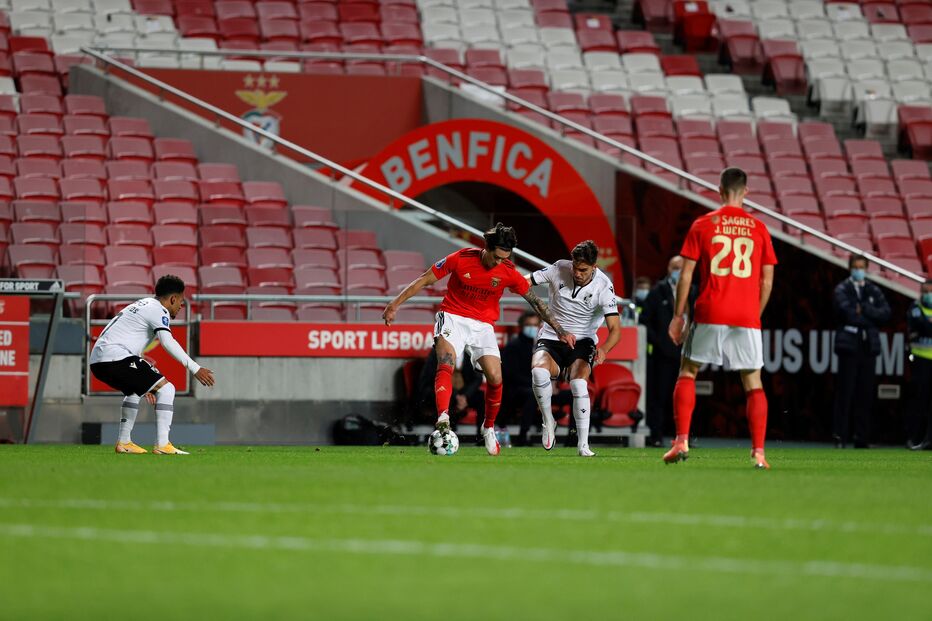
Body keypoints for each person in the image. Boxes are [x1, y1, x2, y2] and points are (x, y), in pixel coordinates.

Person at [382, 222, 575, 455]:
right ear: (487, 248)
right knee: (446, 361)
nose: (499, 262)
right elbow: (425, 279)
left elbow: (536, 302)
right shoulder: (460, 258)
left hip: (483, 326)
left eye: (504, 258)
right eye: (496, 257)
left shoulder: (508, 271)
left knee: (495, 378)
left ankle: (489, 427)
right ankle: (443, 418)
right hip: (453, 316)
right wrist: (394, 305)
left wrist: (560, 330)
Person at [666, 167, 777, 469]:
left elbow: (686, 274)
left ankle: (681, 440)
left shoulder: (704, 224)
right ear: (746, 192)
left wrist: (678, 315)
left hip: (711, 309)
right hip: (746, 313)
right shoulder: (759, 228)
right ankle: (758, 453)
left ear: (719, 190)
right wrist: (755, 313)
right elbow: (766, 282)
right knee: (753, 381)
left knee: (688, 371)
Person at [89, 275, 216, 455]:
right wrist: (195, 368)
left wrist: (142, 376)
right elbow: (168, 342)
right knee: (167, 389)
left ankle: (124, 442)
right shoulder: (158, 310)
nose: (181, 305)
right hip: (115, 356)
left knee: (134, 391)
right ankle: (163, 445)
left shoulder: (142, 304)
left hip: (98, 361)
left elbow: (126, 337)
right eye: (180, 300)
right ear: (172, 298)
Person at [527, 240, 622, 457]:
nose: (577, 273)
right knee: (538, 372)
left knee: (579, 384)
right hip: (552, 336)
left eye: (583, 270)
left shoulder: (604, 286)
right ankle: (548, 421)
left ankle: (583, 445)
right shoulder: (558, 268)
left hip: (583, 341)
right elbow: (526, 281)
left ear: (594, 267)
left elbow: (615, 329)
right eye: (575, 267)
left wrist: (605, 348)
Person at [832, 254, 890, 448]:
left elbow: (885, 314)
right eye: (855, 267)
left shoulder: (873, 290)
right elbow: (845, 313)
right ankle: (840, 436)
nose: (858, 270)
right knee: (845, 393)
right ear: (850, 268)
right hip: (849, 346)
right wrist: (870, 316)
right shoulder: (842, 289)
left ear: (866, 268)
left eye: (861, 267)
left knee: (865, 394)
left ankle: (861, 438)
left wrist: (864, 309)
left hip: (868, 347)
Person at [640, 256, 685, 447]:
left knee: (683, 396)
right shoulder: (657, 292)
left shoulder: (691, 291)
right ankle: (656, 436)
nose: (678, 271)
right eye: (675, 267)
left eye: (681, 268)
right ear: (668, 268)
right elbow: (644, 322)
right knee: (659, 396)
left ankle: (683, 436)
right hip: (663, 355)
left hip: (686, 354)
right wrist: (660, 342)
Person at [501, 311, 541, 445]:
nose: (533, 328)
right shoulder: (513, 346)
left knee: (571, 395)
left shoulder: (542, 346)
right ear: (521, 326)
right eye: (529, 325)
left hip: (541, 388)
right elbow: (510, 374)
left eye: (535, 325)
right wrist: (536, 385)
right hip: (517, 390)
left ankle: (574, 438)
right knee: (531, 394)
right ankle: (523, 436)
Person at [906, 280, 932, 450]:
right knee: (919, 400)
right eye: (925, 291)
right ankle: (914, 438)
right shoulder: (915, 308)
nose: (928, 295)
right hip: (920, 359)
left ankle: (929, 440)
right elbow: (923, 327)